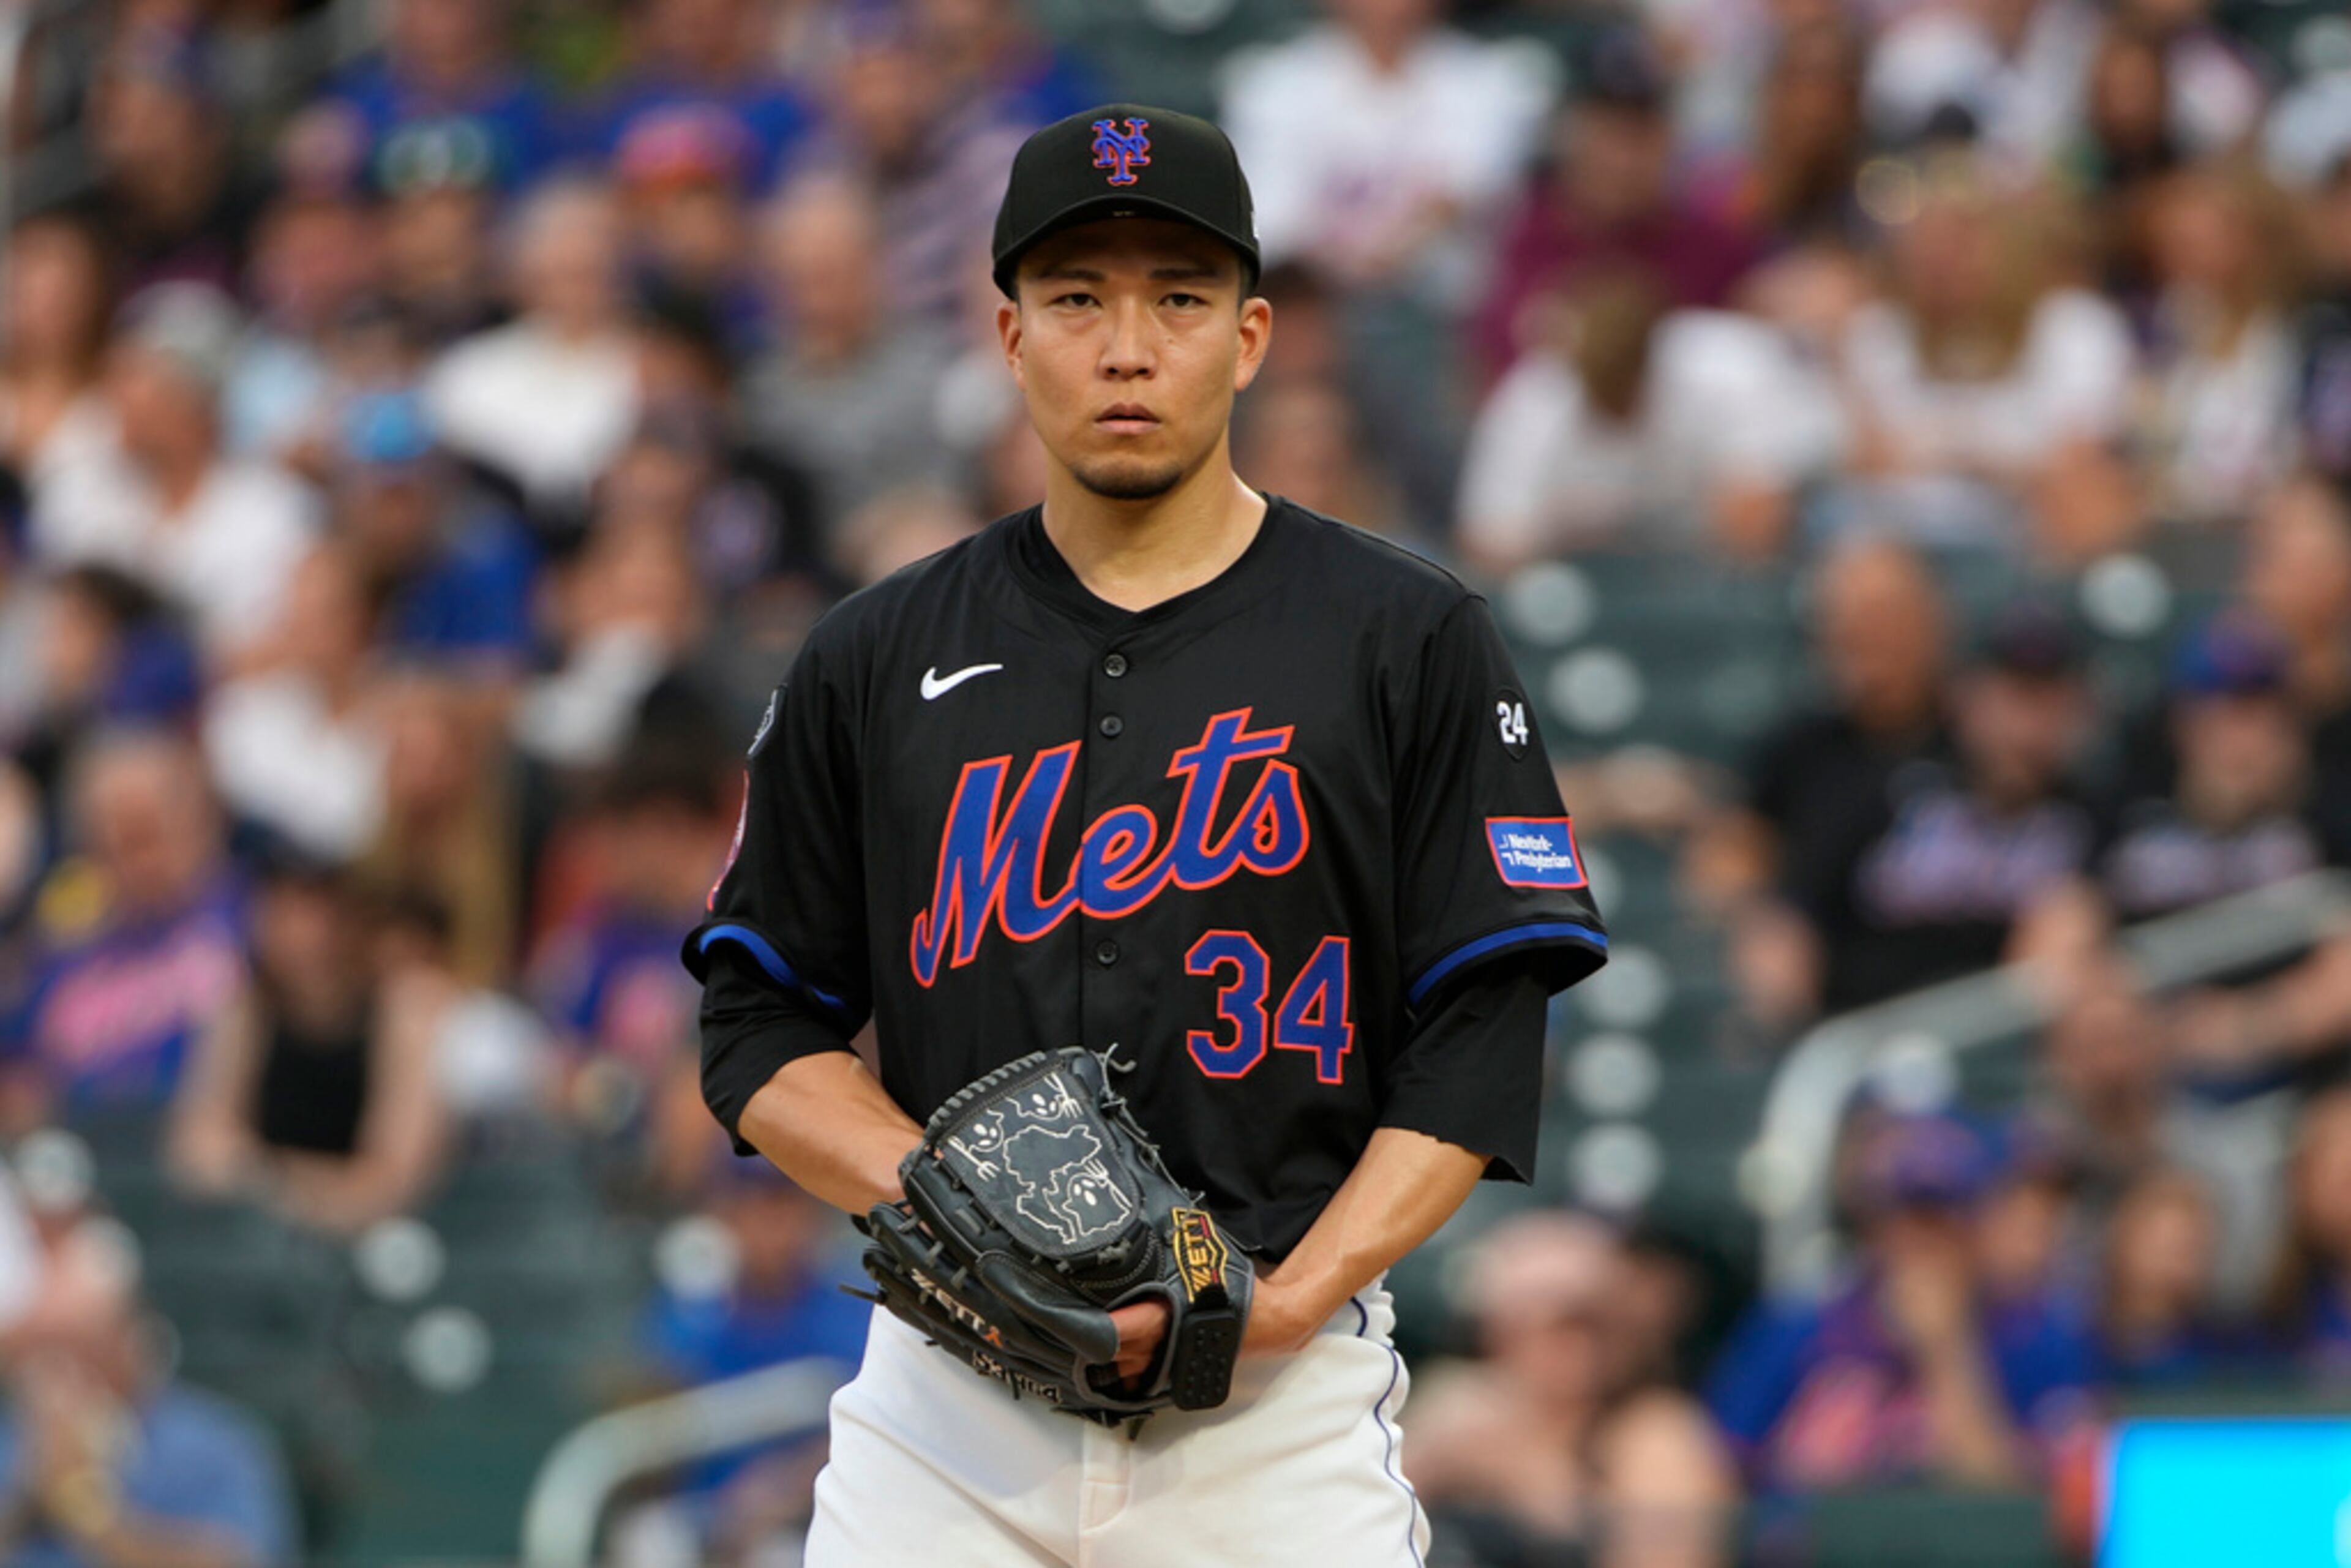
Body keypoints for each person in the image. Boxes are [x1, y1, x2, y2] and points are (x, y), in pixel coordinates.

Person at [683, 104, 1608, 1564]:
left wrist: (1286, 1305)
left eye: (1175, 299)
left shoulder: (1408, 635)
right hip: (950, 1411)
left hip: (1275, 1412)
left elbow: (1482, 1029)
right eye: (1074, 300)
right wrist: (963, 1211)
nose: (1126, 346)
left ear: (1248, 338)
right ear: (1006, 336)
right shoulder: (870, 652)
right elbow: (753, 1026)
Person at [1404, 1212, 1736, 1568]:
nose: (1580, 1345)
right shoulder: (1464, 1405)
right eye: (1557, 1323)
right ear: (1495, 1333)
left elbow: (1669, 1558)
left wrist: (1531, 1479)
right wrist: (1426, 1461)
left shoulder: (1657, 1433)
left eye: (1594, 1321)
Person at [166, 857, 454, 1237]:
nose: (302, 936)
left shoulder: (405, 1009)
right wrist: (307, 1191)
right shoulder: (244, 1010)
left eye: (318, 912)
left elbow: (395, 1180)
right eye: (284, 913)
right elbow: (196, 1153)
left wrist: (268, 1180)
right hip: (264, 1245)